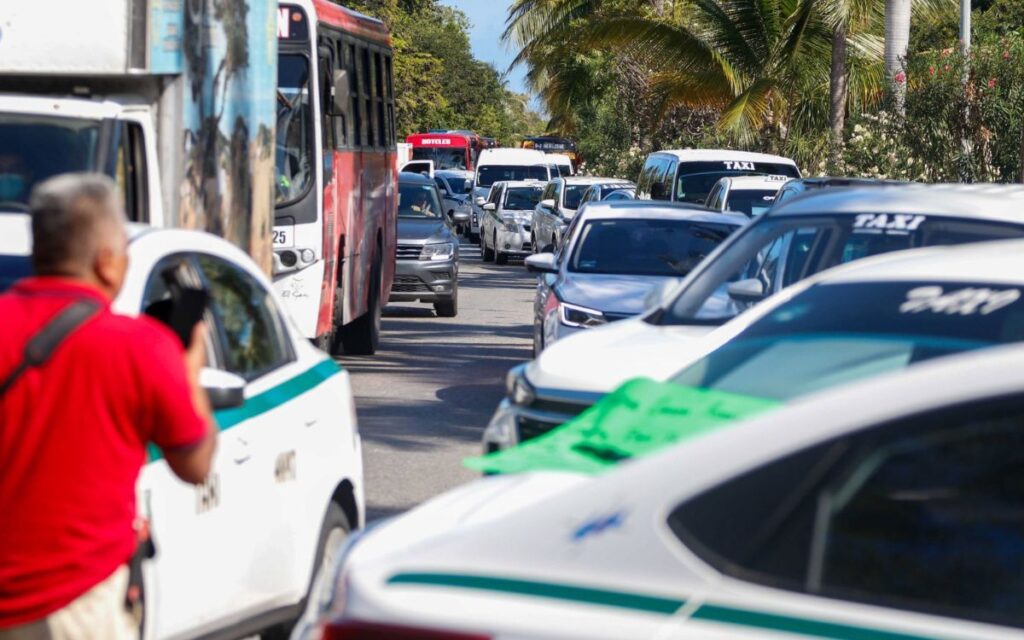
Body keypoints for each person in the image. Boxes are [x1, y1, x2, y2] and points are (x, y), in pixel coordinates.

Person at [0, 174, 216, 640]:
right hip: (80, 605)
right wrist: (191, 374)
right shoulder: (141, 348)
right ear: (105, 262)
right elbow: (196, 463)